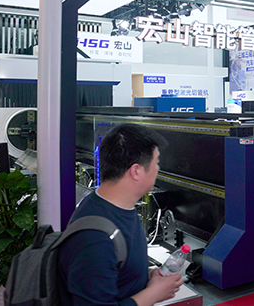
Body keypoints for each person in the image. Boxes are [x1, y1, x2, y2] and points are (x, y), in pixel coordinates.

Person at [58, 123, 182, 306]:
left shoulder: (120, 208)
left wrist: (147, 276)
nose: (158, 169)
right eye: (156, 163)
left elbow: (116, 273)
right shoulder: (95, 238)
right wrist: (153, 294)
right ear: (136, 171)